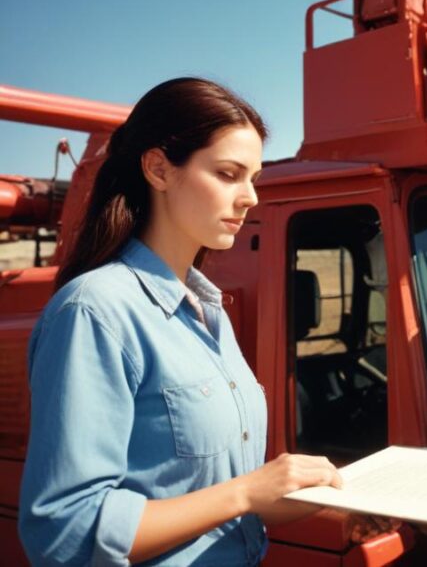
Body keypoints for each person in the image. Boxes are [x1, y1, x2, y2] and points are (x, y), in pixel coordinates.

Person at [19, 78, 389, 566]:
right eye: (228, 173)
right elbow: (65, 530)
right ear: (158, 169)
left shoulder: (209, 312)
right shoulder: (95, 313)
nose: (250, 197)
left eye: (253, 176)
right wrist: (244, 492)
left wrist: (332, 501)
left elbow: (217, 499)